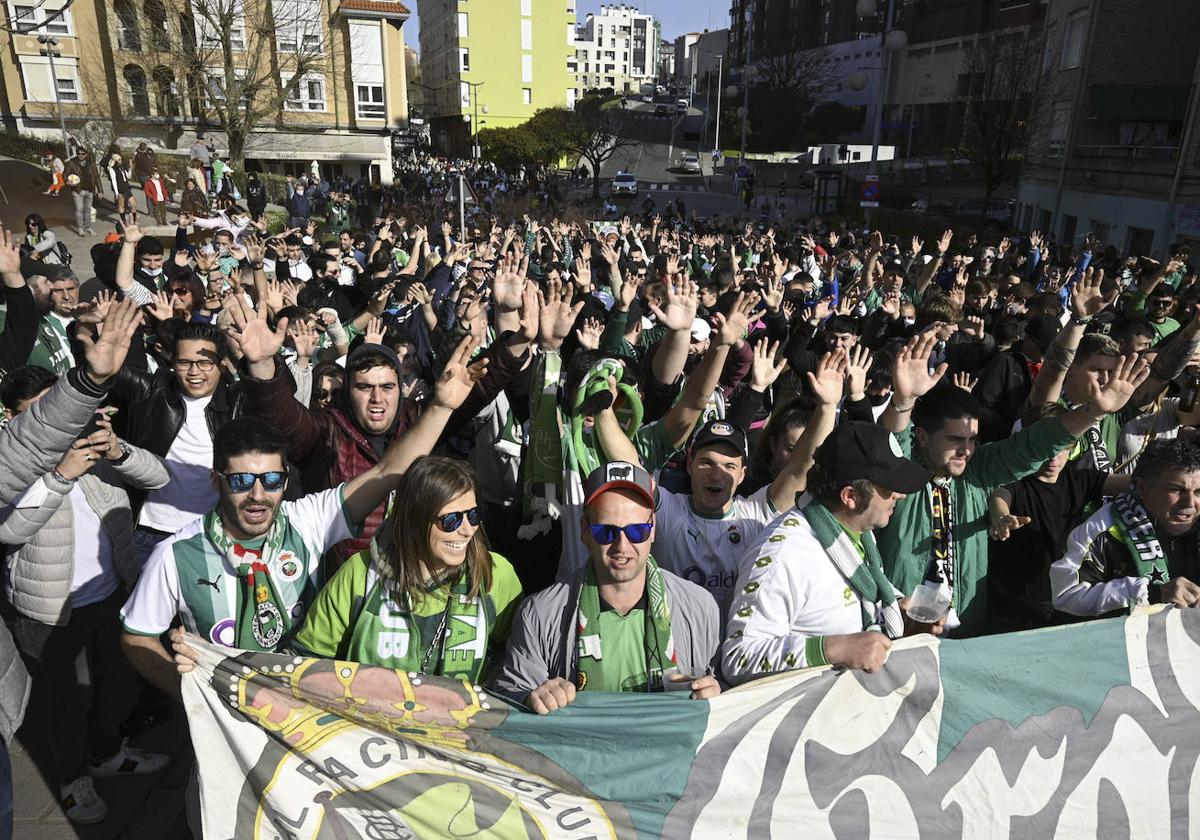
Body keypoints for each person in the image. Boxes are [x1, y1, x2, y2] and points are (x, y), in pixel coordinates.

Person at [122, 330, 486, 700]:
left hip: (306, 711)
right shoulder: (176, 554)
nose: (258, 495)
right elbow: (136, 636)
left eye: (272, 480)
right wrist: (191, 696)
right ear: (217, 481)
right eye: (242, 480)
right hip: (225, 723)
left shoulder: (307, 520)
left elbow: (386, 472)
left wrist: (441, 407)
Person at [876, 331, 1150, 636]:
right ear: (923, 436)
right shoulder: (899, 476)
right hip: (902, 625)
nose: (966, 449)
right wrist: (903, 402)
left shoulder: (977, 470)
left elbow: (1032, 446)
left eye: (971, 439)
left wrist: (1093, 412)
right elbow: (888, 446)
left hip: (967, 627)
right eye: (955, 439)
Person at [0, 367, 171, 825]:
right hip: (49, 609)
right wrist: (58, 475)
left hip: (112, 593)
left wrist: (115, 450)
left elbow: (158, 477)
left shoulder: (93, 446)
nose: (47, 423)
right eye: (30, 415)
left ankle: (108, 754)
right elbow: (9, 529)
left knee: (117, 688)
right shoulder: (11, 465)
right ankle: (74, 781)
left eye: (52, 408)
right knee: (66, 704)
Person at [490, 462, 722, 711]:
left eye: (637, 531)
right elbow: (508, 694)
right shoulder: (540, 613)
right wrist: (530, 698)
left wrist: (716, 694)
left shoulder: (699, 606)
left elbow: (726, 689)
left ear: (653, 529)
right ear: (585, 531)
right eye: (606, 532)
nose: (622, 546)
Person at [722, 421, 935, 684]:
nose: (900, 496)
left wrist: (899, 614)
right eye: (889, 488)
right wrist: (835, 649)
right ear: (850, 497)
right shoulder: (785, 553)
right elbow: (738, 658)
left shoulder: (855, 534)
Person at [290, 456, 523, 681]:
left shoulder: (493, 574)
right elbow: (308, 660)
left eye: (474, 515)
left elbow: (519, 657)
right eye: (451, 520)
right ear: (416, 520)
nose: (467, 530)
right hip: (371, 719)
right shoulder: (361, 574)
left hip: (461, 719)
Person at [987, 425, 1131, 632]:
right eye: (1046, 449)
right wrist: (1001, 516)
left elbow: (1133, 484)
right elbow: (999, 496)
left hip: (1062, 601)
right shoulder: (1016, 482)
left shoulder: (1079, 479)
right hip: (1016, 606)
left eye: (1061, 449)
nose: (1053, 458)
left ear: (1072, 447)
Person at [1052, 439, 1200, 617]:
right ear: (1142, 487)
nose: (1190, 503)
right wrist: (1152, 593)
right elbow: (1065, 597)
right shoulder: (1101, 530)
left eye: (1198, 492)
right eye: (1177, 490)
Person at [63, 147, 101, 236]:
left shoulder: (91, 164)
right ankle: (80, 227)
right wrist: (67, 182)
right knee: (79, 208)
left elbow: (97, 178)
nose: (80, 155)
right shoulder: (71, 163)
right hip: (77, 190)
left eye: (82, 154)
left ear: (86, 155)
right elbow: (64, 175)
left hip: (90, 190)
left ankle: (88, 228)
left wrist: (100, 191)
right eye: (79, 153)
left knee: (88, 210)